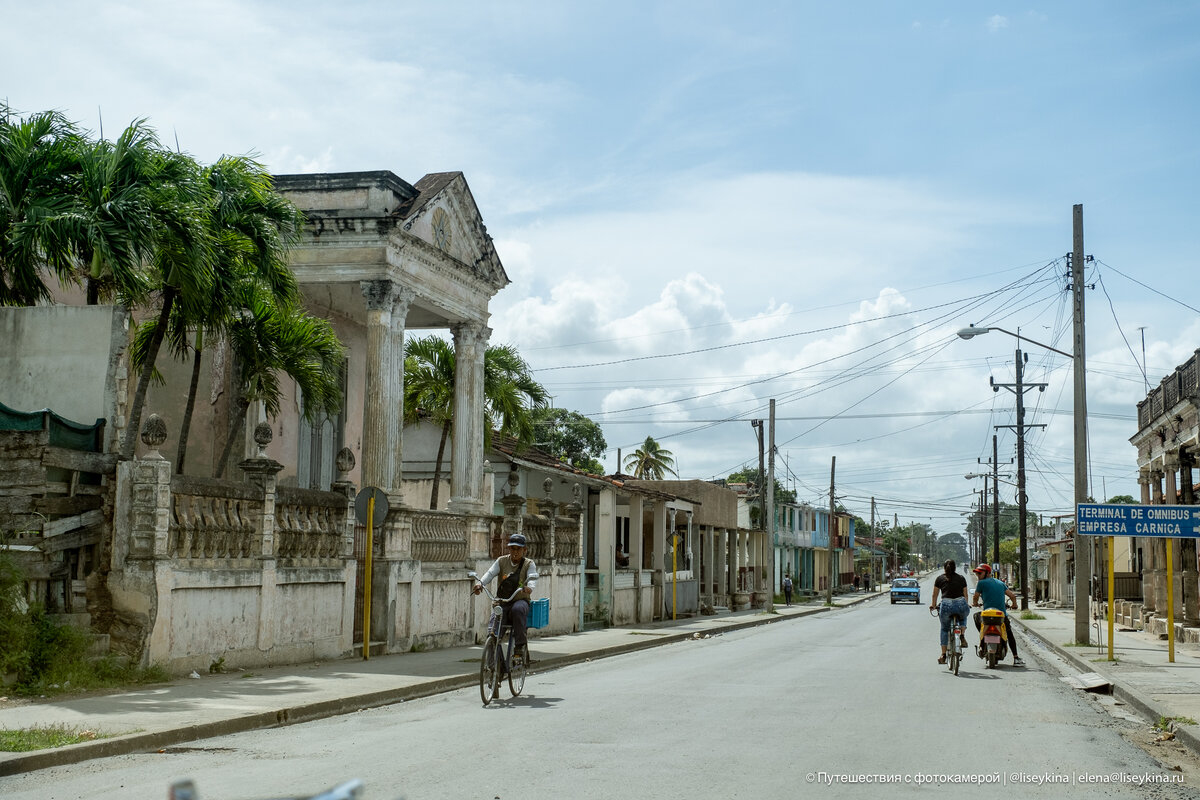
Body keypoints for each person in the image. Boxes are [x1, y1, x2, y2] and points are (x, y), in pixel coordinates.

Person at [474, 533, 539, 667]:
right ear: (508, 549)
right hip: (503, 602)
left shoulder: (528, 564)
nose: (515, 552)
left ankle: (519, 647)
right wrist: (481, 584)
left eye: (518, 549)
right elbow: (490, 573)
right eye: (512, 548)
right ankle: (493, 666)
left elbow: (532, 579)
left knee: (518, 610)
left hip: (520, 600)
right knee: (493, 632)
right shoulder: (501, 561)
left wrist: (529, 588)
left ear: (524, 550)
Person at [971, 563, 1024, 667]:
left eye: (979, 573)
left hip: (987, 616)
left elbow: (975, 596)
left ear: (987, 573)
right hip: (1001, 616)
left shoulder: (981, 583)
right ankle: (1016, 658)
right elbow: (1012, 596)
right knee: (1009, 634)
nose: (978, 575)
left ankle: (982, 644)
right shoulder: (1000, 583)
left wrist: (975, 603)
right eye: (977, 574)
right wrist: (1014, 605)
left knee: (977, 619)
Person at [928, 559, 969, 665]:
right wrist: (966, 605)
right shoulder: (961, 578)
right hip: (960, 603)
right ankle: (962, 635)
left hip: (946, 605)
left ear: (944, 567)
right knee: (964, 616)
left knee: (944, 629)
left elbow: (935, 595)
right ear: (955, 568)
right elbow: (965, 595)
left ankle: (943, 654)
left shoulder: (939, 579)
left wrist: (933, 605)